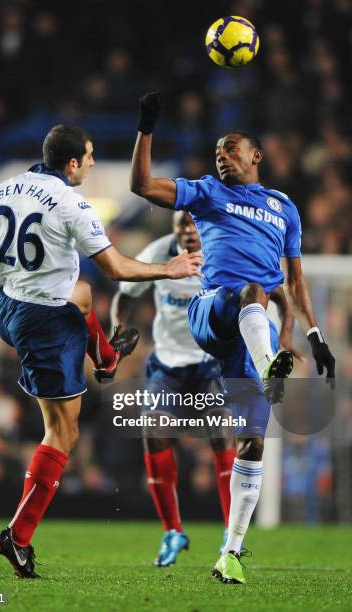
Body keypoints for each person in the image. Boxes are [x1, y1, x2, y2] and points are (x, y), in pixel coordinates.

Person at [0, 124, 203, 579]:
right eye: (88, 157)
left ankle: (105, 357)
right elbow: (116, 267)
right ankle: (19, 536)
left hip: (5, 307)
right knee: (63, 434)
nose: (91, 163)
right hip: (43, 324)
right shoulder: (71, 204)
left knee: (81, 293)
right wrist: (169, 268)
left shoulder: (1, 189)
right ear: (70, 164)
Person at [129, 93, 336, 584]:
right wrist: (147, 126)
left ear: (255, 156)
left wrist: (314, 333)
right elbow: (140, 185)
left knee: (252, 443)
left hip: (253, 330)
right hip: (212, 311)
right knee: (250, 290)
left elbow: (297, 282)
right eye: (218, 151)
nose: (221, 156)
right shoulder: (205, 192)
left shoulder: (283, 207)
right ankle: (270, 368)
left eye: (230, 149)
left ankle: (232, 553)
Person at [111, 210, 300, 567]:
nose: (187, 230)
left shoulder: (225, 252)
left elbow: (277, 294)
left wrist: (286, 334)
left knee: (222, 430)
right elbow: (125, 294)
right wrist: (117, 330)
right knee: (153, 431)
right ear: (173, 228)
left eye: (193, 223)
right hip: (167, 364)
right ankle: (173, 532)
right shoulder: (158, 254)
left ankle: (232, 536)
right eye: (180, 223)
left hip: (211, 361)